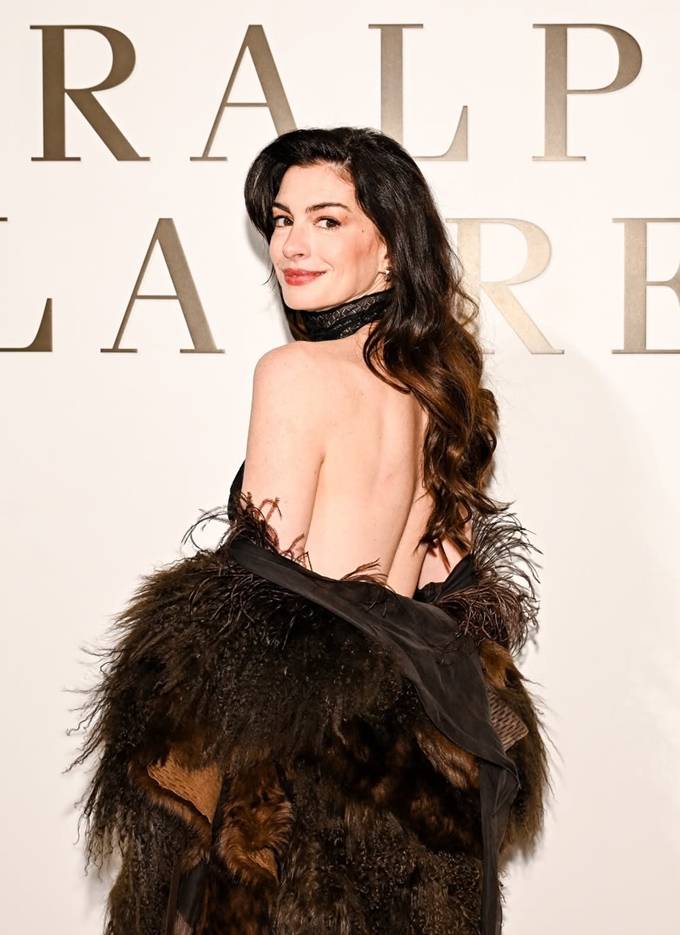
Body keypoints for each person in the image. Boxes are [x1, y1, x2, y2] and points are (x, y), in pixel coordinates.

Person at [66, 127, 551, 935]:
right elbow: (445, 575)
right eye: (282, 220)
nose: (291, 245)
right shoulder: (440, 390)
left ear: (390, 246)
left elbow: (264, 580)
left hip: (292, 761)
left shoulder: (293, 372)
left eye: (328, 220)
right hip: (407, 758)